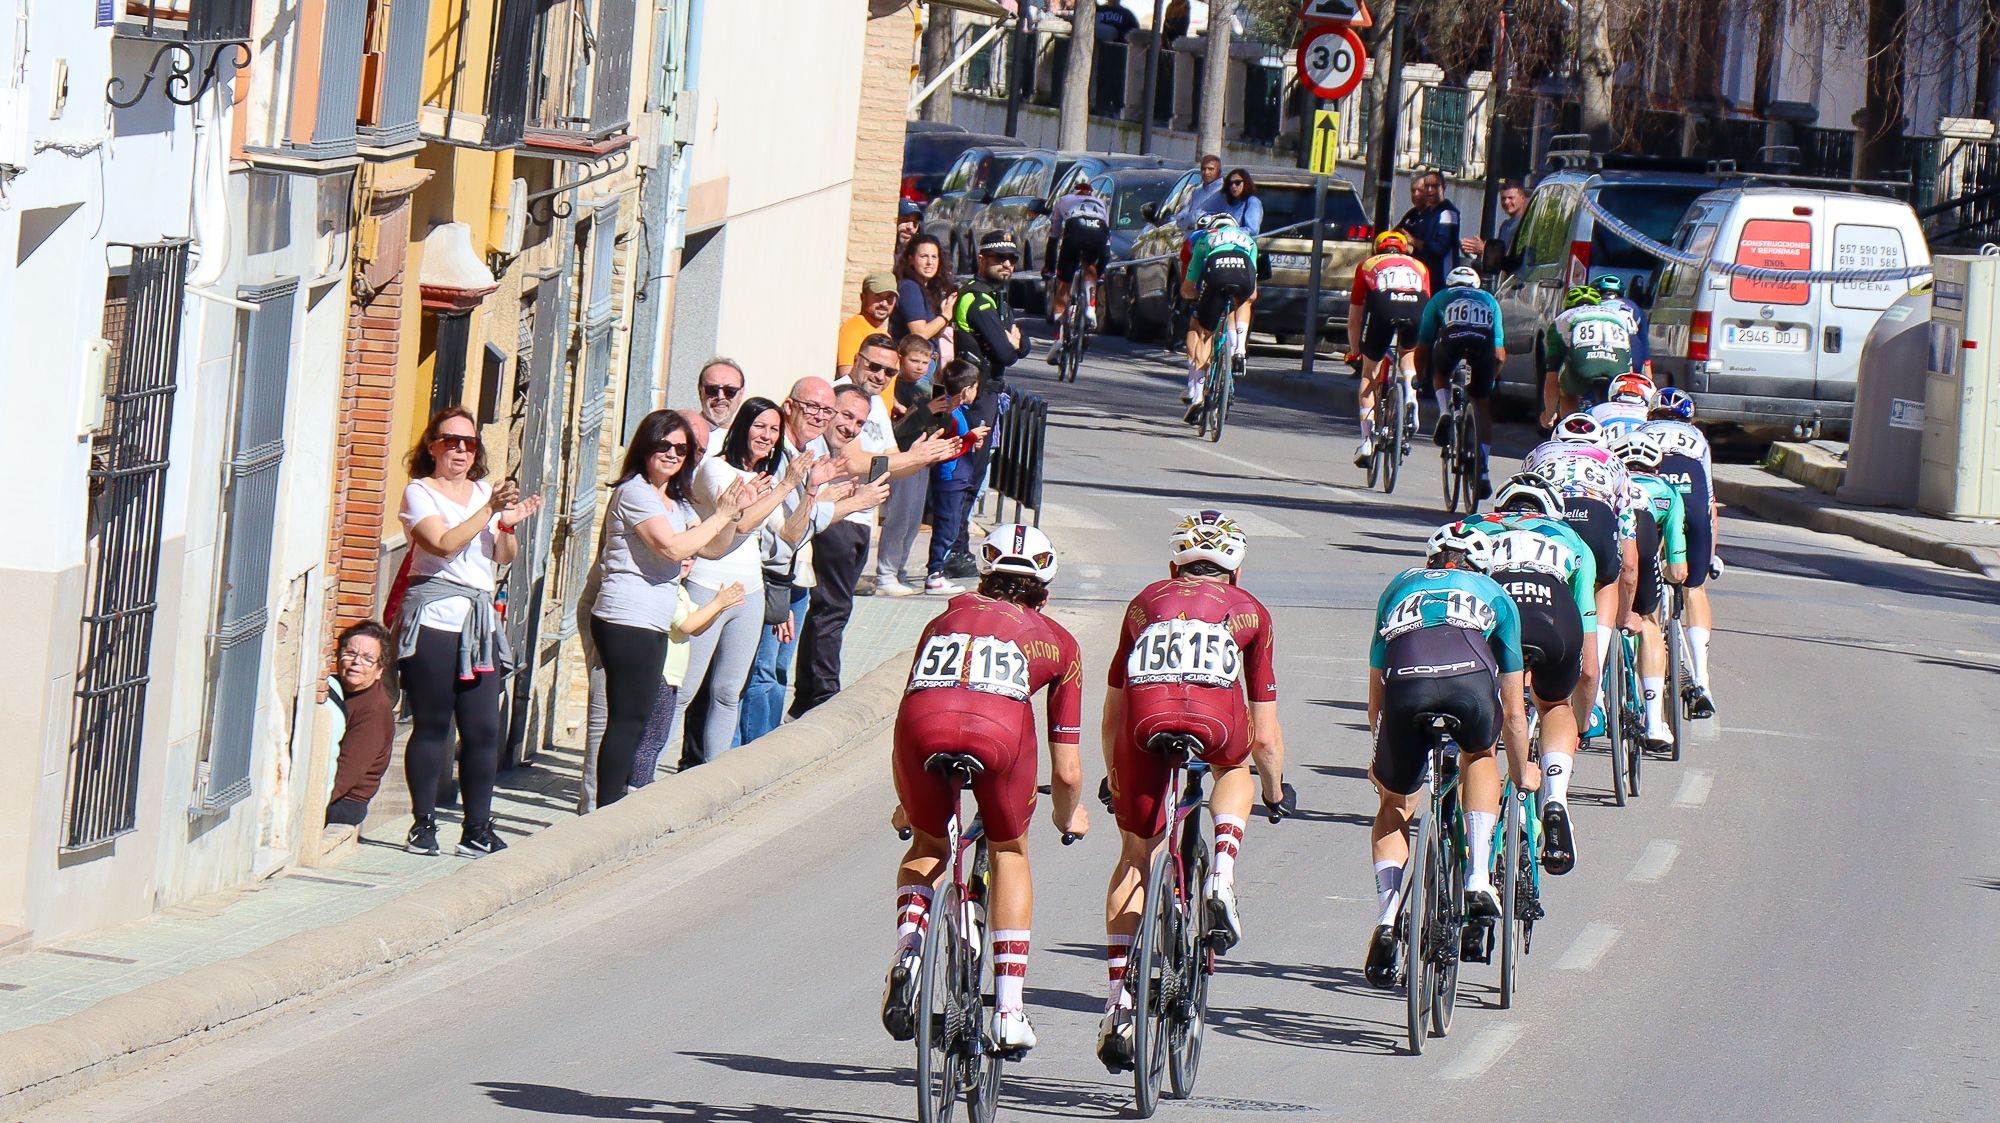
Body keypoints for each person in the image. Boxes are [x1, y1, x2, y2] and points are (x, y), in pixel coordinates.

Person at [880, 523, 1088, 1054]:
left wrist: (908, 800)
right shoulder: (1060, 642)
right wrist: (1069, 816)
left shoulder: (944, 618)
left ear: (985, 574)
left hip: (921, 730)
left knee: (928, 844)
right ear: (1045, 588)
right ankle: (1011, 1010)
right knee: (1010, 851)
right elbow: (1065, 770)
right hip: (998, 739)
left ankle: (909, 948)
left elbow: (914, 704)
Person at [1093, 512, 1288, 1071]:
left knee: (1135, 859)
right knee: (1233, 768)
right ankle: (1222, 874)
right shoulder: (1251, 610)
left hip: (1143, 724)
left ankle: (1119, 1004)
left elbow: (1113, 706)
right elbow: (1266, 732)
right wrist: (1272, 790)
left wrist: (1115, 774)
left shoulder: (1144, 601)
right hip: (1215, 719)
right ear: (1238, 569)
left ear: (1173, 565)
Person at [1362, 524, 1537, 987]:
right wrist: (1523, 773)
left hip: (1405, 690)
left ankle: (1386, 915)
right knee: (1480, 755)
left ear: (1431, 560)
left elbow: (1375, 701)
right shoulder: (1495, 593)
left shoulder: (1398, 586)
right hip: (1469, 687)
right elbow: (1516, 714)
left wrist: (1384, 767)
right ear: (1478, 565)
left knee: (1393, 806)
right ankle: (1478, 874)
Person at [591, 410, 764, 805]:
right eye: (663, 445)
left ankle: (615, 805)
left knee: (638, 718)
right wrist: (719, 515)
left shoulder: (677, 501)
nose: (672, 454)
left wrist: (736, 515)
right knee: (626, 718)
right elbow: (671, 547)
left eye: (682, 449)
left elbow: (711, 548)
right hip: (625, 616)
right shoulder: (634, 492)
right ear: (645, 447)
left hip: (652, 620)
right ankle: (605, 811)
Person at [394, 408, 541, 858]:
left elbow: (503, 555)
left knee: (482, 729)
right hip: (436, 619)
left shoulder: (483, 492)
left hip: (478, 622)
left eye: (470, 443)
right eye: (451, 441)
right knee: (434, 724)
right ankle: (423, 825)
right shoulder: (419, 492)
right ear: (432, 446)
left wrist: (509, 526)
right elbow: (442, 543)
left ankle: (477, 828)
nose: (461, 449)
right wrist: (490, 510)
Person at [1451, 473, 1596, 875]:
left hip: (1495, 613)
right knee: (1554, 706)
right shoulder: (1570, 539)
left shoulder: (1473, 527)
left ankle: (1476, 850)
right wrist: (1579, 721)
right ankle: (1556, 796)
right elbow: (1590, 659)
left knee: (1482, 740)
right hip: (1555, 617)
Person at [673, 397, 818, 766]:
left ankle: (714, 776)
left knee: (728, 691)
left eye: (773, 429)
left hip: (749, 590)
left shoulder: (766, 480)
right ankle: (644, 781)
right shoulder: (716, 470)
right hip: (708, 586)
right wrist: (786, 485)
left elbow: (787, 535)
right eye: (760, 426)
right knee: (685, 690)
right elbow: (739, 523)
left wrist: (810, 490)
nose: (767, 436)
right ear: (742, 427)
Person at [1523, 413, 1642, 738]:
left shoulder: (1537, 454)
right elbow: (1630, 563)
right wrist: (1625, 614)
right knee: (1607, 581)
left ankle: (1528, 673)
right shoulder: (1615, 463)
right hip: (1597, 520)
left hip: (1549, 525)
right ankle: (1595, 689)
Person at [628, 560, 743, 791]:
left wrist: (719, 607)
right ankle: (637, 788)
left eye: (692, 556)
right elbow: (688, 625)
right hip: (662, 674)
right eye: (682, 556)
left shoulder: (680, 591)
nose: (688, 560)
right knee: (651, 740)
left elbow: (698, 626)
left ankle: (641, 784)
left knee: (656, 738)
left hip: (670, 676)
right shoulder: (667, 590)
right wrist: (719, 602)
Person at [948, 231, 1023, 573]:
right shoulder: (977, 299)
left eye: (1011, 259)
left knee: (975, 477)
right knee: (966, 476)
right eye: (998, 258)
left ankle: (955, 545)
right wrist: (1012, 344)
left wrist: (1015, 344)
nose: (1006, 264)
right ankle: (953, 549)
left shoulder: (997, 298)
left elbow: (1019, 345)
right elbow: (1008, 351)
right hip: (976, 397)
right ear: (982, 260)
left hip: (989, 394)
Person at [1643, 387, 1719, 718]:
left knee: (1643, 592)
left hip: (1654, 497)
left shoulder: (1640, 432)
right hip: (1692, 494)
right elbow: (1710, 506)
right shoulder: (1698, 439)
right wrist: (1711, 554)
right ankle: (1701, 678)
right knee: (1695, 588)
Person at [1611, 428, 1689, 752]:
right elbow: (1678, 568)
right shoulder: (1668, 492)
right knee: (1648, 622)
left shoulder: (1610, 481)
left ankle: (1594, 705)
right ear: (1656, 466)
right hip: (1642, 547)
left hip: (1605, 546)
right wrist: (1672, 577)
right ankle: (1655, 722)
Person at [1414, 265, 1506, 496]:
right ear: (1476, 284)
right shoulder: (1489, 299)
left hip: (1451, 342)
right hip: (1482, 347)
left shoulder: (1440, 298)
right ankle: (1483, 468)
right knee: (1481, 404)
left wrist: (1420, 375)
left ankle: (1445, 411)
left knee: (1442, 373)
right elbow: (1500, 353)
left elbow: (1423, 344)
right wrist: (1491, 381)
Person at [1348, 230, 1432, 469]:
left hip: (1385, 306)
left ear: (1378, 249)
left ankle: (1366, 441)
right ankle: (1412, 399)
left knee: (1369, 372)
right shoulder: (1420, 266)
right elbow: (1428, 299)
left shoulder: (1368, 264)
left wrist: (1355, 350)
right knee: (1407, 356)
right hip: (1417, 306)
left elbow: (1355, 316)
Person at [1179, 212, 1259, 423]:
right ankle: (1239, 350)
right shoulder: (1248, 240)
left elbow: (1187, 287)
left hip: (1215, 276)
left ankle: (1197, 392)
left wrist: (1195, 297)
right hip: (1242, 272)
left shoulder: (1203, 239)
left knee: (1204, 333)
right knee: (1243, 301)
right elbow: (1253, 294)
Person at [924, 361, 989, 594]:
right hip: (950, 477)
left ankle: (936, 571)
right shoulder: (951, 415)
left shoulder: (959, 412)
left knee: (951, 525)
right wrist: (970, 439)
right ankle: (935, 573)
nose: (977, 392)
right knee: (947, 527)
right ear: (966, 390)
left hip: (958, 477)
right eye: (975, 387)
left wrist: (972, 440)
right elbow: (951, 447)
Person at [325, 621, 394, 829]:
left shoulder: (373, 710)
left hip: (345, 801)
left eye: (367, 659)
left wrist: (310, 804)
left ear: (379, 670)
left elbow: (346, 774)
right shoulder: (332, 687)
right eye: (350, 653)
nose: (356, 663)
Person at [1542, 285, 1635, 426]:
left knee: (1566, 393)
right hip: (1618, 368)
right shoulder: (1617, 315)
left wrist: (1548, 415)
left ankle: (1571, 430)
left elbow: (1552, 374)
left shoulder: (1563, 318)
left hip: (1583, 369)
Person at [1042, 178, 1112, 363]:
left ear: (1075, 192)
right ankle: (1090, 308)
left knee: (1063, 284)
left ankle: (1058, 338)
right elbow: (1106, 244)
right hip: (1099, 231)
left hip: (1075, 230)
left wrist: (1049, 267)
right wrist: (1102, 271)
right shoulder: (1101, 203)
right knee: (1091, 266)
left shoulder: (1063, 200)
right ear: (1090, 194)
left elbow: (1054, 236)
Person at [889, 235, 957, 377]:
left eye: (934, 257)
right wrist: (946, 315)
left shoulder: (927, 290)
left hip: (927, 365)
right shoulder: (909, 288)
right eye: (923, 256)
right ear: (911, 259)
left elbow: (931, 332)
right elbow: (920, 333)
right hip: (914, 368)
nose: (929, 262)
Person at [1394, 169, 1461, 284]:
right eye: (1427, 186)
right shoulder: (1424, 213)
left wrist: (1414, 241)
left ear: (1443, 187)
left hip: (1441, 279)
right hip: (1423, 276)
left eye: (1435, 186)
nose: (1430, 190)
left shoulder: (1448, 213)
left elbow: (1441, 248)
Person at [837, 273, 900, 380]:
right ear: (863, 297)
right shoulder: (854, 329)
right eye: (878, 296)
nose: (884, 303)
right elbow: (848, 382)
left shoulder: (884, 335)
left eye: (889, 298)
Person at [1594, 274, 1651, 374]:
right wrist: (1647, 372)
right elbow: (1644, 342)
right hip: (1631, 356)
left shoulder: (1591, 307)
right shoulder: (1633, 306)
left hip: (1597, 356)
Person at [1460, 179, 1528, 264]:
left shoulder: (1527, 224)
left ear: (1522, 198)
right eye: (1503, 198)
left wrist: (1485, 249)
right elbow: (1501, 258)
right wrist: (1476, 250)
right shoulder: (1505, 225)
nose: (1506, 202)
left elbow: (1516, 259)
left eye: (1511, 198)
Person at [696, 358, 747, 456]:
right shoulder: (684, 434)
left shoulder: (746, 440)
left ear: (741, 393)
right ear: (700, 390)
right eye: (712, 389)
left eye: (730, 390)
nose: (720, 397)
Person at [1174, 154, 1225, 232]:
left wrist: (1192, 218)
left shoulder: (1223, 192)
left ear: (1219, 171)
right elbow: (1180, 218)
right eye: (1203, 169)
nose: (1206, 172)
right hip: (1191, 238)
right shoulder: (1197, 192)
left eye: (1211, 169)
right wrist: (1192, 218)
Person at [1216, 168, 1264, 235]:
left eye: (1237, 183)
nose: (1233, 186)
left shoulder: (1252, 202)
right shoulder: (1229, 202)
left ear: (1246, 183)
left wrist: (1228, 231)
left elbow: (1252, 230)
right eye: (1230, 183)